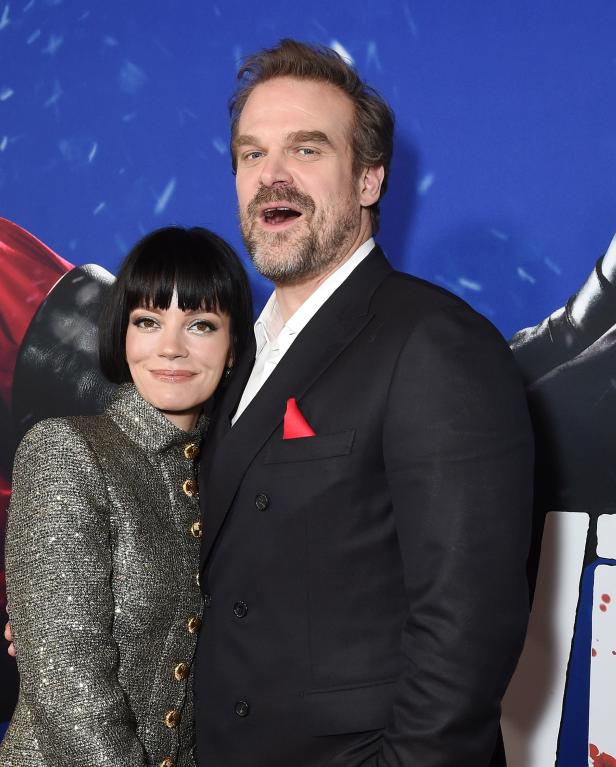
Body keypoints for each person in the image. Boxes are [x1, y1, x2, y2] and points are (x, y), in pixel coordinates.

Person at [192, 41, 534, 766]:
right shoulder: (228, 357)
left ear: (369, 178)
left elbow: (465, 627)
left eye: (306, 150)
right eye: (251, 155)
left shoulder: (437, 344)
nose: (271, 177)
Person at [0, 226, 252, 767]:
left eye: (201, 325)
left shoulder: (229, 478)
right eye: (148, 322)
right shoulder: (66, 450)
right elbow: (69, 684)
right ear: (123, 337)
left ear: (232, 350)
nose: (172, 347)